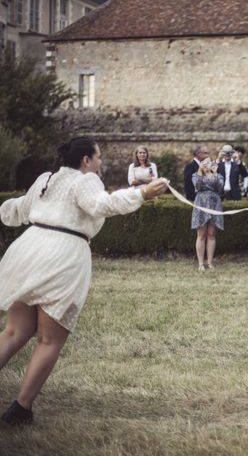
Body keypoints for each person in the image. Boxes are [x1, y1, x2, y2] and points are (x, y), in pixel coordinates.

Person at [0, 136, 167, 425]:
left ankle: (21, 407)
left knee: (14, 332)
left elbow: (21, 210)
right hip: (63, 256)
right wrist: (142, 195)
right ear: (86, 160)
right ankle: (21, 408)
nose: (101, 162)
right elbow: (102, 205)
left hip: (29, 248)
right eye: (98, 157)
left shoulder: (46, 177)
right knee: (49, 339)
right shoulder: (86, 180)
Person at [191, 158, 224, 271]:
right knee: (201, 235)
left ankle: (210, 262)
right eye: (203, 163)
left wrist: (214, 173)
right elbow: (198, 186)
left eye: (207, 163)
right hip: (201, 203)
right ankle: (201, 263)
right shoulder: (195, 175)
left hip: (215, 204)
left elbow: (220, 188)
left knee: (211, 234)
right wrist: (200, 172)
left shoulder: (218, 176)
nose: (205, 165)